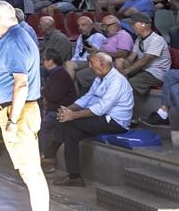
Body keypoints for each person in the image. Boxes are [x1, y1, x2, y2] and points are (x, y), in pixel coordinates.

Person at [0, 0, 48, 211]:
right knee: (28, 170)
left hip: (18, 111)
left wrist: (12, 120)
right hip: (15, 109)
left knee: (31, 171)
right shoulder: (11, 38)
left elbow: (21, 83)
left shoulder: (14, 41)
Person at [42, 52, 133, 187]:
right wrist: (69, 109)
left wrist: (73, 115)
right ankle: (74, 176)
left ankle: (50, 155)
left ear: (101, 64)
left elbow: (102, 108)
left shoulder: (117, 81)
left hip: (115, 121)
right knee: (70, 131)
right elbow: (87, 98)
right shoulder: (100, 78)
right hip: (101, 117)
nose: (89, 66)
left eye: (92, 63)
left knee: (70, 124)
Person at [119, 12, 171, 106]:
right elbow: (132, 56)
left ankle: (128, 110)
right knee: (119, 78)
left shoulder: (156, 40)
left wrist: (126, 71)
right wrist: (123, 64)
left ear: (143, 24)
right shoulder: (139, 39)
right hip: (144, 70)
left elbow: (145, 60)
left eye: (133, 24)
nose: (131, 27)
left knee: (130, 83)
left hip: (156, 73)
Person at [36, 49, 76, 164]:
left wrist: (42, 91)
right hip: (52, 108)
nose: (42, 62)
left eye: (44, 59)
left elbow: (54, 96)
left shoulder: (61, 75)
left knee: (46, 123)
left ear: (51, 61)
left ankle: (48, 157)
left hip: (61, 110)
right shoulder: (54, 74)